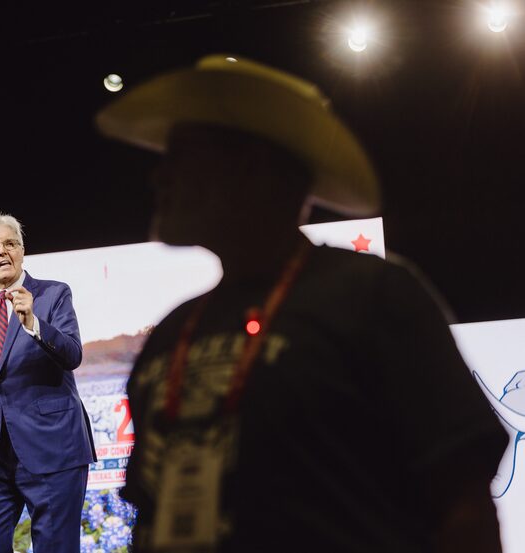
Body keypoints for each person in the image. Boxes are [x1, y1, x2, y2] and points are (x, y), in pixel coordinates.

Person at [95, 55, 508, 552]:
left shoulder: (374, 298)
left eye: (181, 156)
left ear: (254, 171)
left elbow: (464, 506)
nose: (158, 179)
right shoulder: (174, 333)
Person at [0, 213, 96, 553]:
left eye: (10, 243)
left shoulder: (53, 294)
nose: (2, 252)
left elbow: (72, 355)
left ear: (22, 251)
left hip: (53, 450)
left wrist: (34, 323)